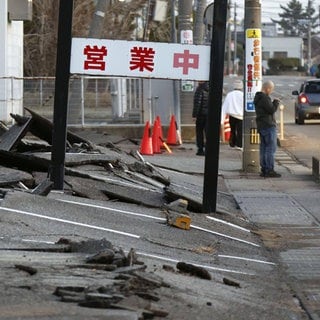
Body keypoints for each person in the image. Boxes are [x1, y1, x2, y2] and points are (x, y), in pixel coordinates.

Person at [254, 80, 281, 178]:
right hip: (268, 126)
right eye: (271, 89)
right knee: (270, 148)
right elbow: (271, 110)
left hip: (261, 126)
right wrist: (276, 102)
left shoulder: (258, 97)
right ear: (267, 88)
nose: (271, 91)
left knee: (263, 148)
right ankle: (269, 169)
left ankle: (264, 169)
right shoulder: (264, 98)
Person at [221, 80, 243, 149]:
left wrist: (222, 120)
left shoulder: (230, 94)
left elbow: (224, 106)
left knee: (232, 130)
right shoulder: (243, 95)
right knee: (240, 131)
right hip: (241, 116)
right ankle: (239, 145)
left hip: (232, 115)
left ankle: (232, 143)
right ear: (241, 87)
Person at [192, 81, 209, 156]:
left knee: (199, 132)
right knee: (208, 133)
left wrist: (194, 115)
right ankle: (209, 149)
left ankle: (200, 149)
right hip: (210, 115)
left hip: (201, 114)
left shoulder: (200, 89)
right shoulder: (211, 88)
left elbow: (197, 103)